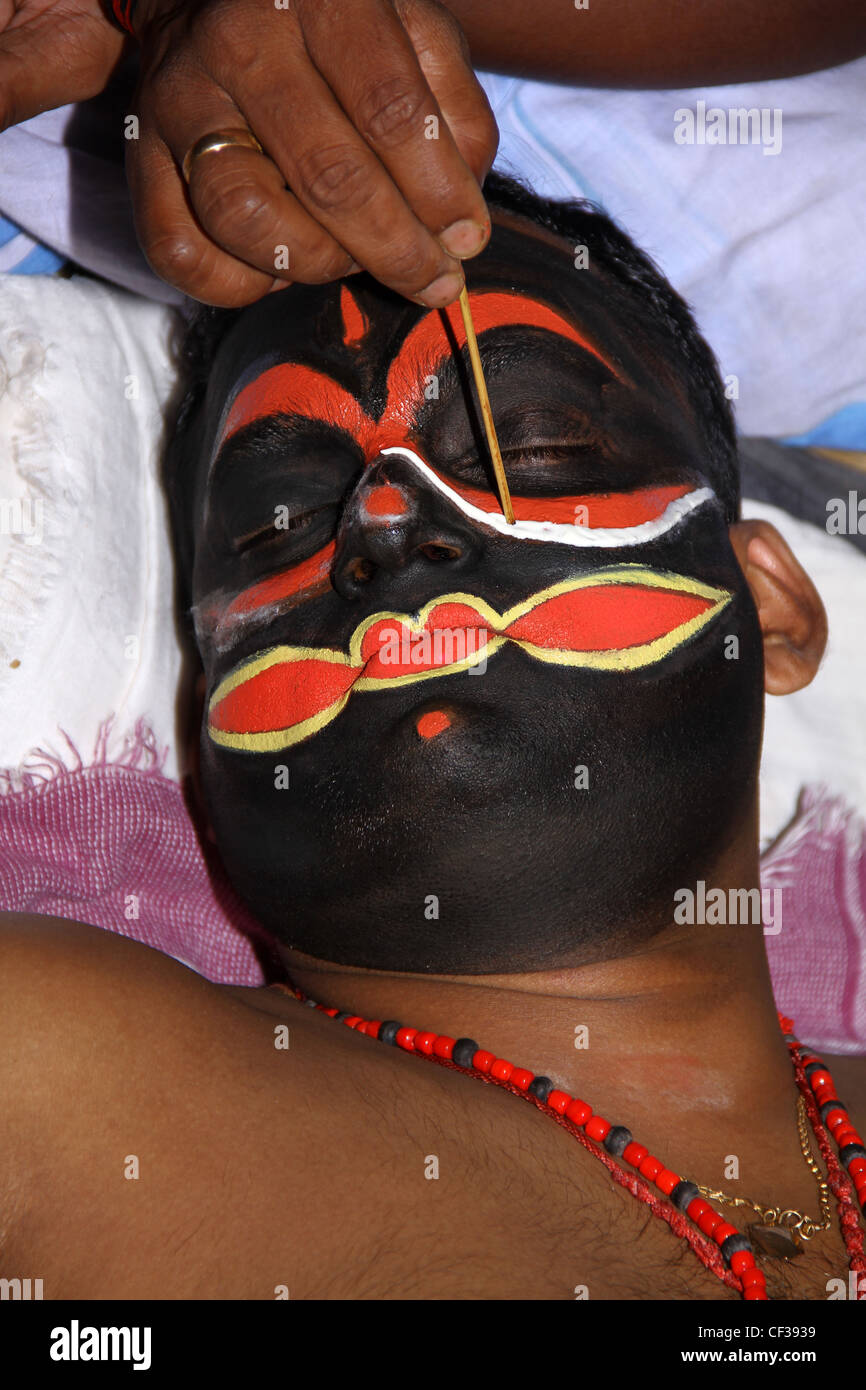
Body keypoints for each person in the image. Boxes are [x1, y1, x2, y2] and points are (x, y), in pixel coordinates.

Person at [0, 173, 863, 1302]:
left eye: (533, 443)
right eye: (281, 520)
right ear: (199, 728)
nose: (388, 521)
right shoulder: (52, 1084)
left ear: (775, 611)